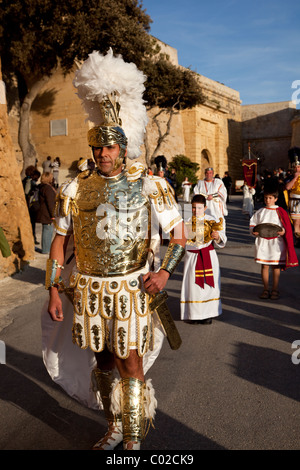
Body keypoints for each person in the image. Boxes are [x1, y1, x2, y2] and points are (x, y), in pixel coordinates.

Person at [42, 49, 186, 451]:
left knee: (130, 361)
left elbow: (179, 236)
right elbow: (57, 244)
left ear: (123, 149)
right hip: (89, 289)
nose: (104, 154)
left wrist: (163, 273)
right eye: (98, 149)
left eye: (111, 148)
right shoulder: (74, 188)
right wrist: (53, 290)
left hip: (131, 288)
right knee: (102, 361)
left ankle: (134, 440)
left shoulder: (151, 185)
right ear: (92, 151)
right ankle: (115, 425)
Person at [181, 194, 226, 324]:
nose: (196, 210)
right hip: (192, 257)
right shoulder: (187, 220)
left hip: (208, 256)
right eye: (194, 208)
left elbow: (222, 237)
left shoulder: (212, 220)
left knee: (208, 286)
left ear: (205, 207)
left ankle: (208, 314)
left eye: (199, 208)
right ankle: (193, 314)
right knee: (193, 285)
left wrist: (217, 236)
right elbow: (180, 240)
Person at [250, 189, 298, 300]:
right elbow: (253, 223)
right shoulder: (260, 211)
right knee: (264, 266)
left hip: (277, 243)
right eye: (266, 198)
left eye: (270, 198)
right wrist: (253, 231)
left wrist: (283, 232)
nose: (268, 200)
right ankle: (266, 289)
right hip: (263, 242)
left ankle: (275, 290)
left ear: (275, 199)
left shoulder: (280, 211)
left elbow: (287, 227)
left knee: (276, 266)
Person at [36, 172, 56, 254]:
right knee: (47, 231)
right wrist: (53, 214)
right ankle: (46, 249)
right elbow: (50, 202)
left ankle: (46, 248)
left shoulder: (42, 187)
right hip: (47, 213)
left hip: (44, 212)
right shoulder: (47, 188)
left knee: (47, 231)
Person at [285, 160, 300, 245]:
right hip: (295, 202)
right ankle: (298, 239)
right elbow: (287, 187)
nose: (297, 168)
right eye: (295, 167)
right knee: (296, 222)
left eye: (298, 167)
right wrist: (295, 178)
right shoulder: (290, 177)